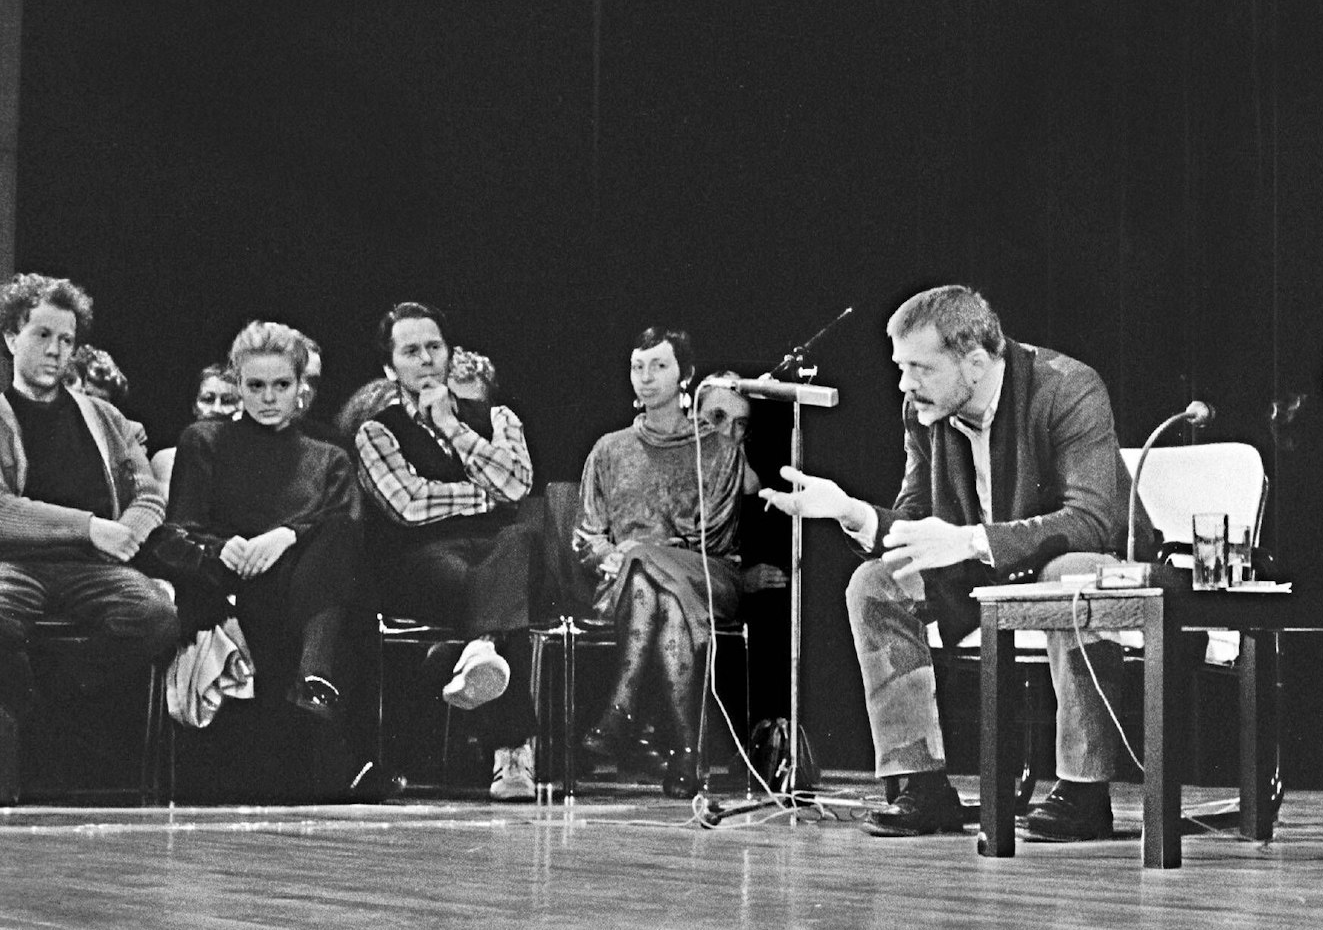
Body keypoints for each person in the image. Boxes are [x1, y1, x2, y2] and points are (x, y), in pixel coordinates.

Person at [760, 286, 1144, 841]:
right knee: (876, 582)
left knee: (1069, 576)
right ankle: (920, 783)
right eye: (900, 367)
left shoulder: (1068, 387)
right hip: (979, 571)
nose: (904, 383)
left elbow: (1092, 519)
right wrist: (851, 513)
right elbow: (916, 520)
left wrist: (970, 540)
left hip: (1072, 562)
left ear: (976, 361)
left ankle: (1084, 791)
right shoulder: (924, 410)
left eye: (919, 367)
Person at [165, 321, 369, 799]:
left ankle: (312, 679)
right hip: (237, 583)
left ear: (301, 388)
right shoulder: (205, 440)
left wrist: (284, 536)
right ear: (237, 384)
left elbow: (343, 525)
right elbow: (177, 531)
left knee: (342, 535)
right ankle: (314, 683)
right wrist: (224, 547)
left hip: (307, 587)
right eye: (255, 385)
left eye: (282, 385)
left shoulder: (328, 455)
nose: (268, 397)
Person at [575, 335, 784, 797]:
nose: (646, 378)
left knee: (649, 566)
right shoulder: (609, 449)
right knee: (659, 593)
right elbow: (586, 536)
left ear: (684, 375)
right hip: (628, 584)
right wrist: (617, 555)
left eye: (659, 366)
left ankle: (621, 710)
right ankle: (688, 752)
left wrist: (641, 551)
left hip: (709, 575)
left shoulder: (718, 450)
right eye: (638, 367)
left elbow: (714, 538)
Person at [0, 274, 179, 796]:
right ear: (12, 337)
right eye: (43, 336)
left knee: (154, 614)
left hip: (93, 565)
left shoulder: (103, 415)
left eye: (67, 340)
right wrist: (88, 526)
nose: (56, 351)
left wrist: (128, 532)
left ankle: (59, 692)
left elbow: (148, 491)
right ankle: (30, 703)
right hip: (18, 563)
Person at [354, 302, 540, 801]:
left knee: (519, 541)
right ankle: (511, 752)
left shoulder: (497, 416)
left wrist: (453, 428)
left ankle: (474, 651)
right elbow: (408, 505)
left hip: (499, 550)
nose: (427, 359)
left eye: (434, 347)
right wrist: (484, 492)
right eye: (411, 351)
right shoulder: (376, 431)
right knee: (492, 593)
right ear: (391, 367)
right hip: (423, 559)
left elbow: (520, 484)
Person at [151, 365, 241, 498]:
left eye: (228, 401)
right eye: (208, 399)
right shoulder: (168, 460)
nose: (216, 409)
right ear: (194, 407)